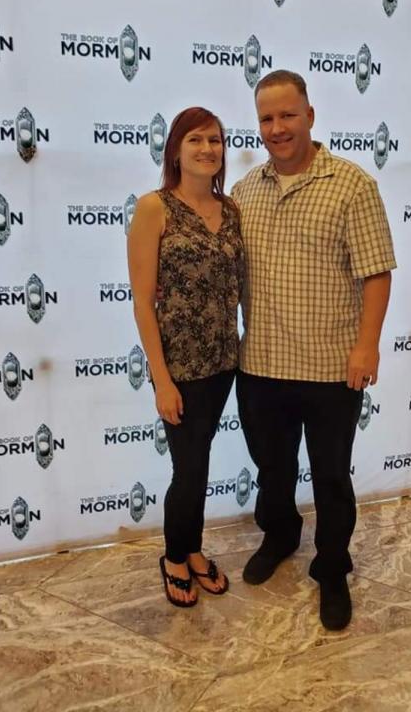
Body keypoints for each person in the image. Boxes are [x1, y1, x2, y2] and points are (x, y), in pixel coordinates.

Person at [231, 71, 396, 630]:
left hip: (331, 368)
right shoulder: (244, 191)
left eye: (287, 115)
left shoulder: (352, 185)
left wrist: (367, 346)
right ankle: (280, 536)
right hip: (261, 365)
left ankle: (331, 567)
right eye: (266, 118)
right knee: (272, 470)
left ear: (310, 115)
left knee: (330, 476)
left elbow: (376, 273)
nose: (277, 128)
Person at [127, 107, 243, 607]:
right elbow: (142, 301)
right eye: (195, 139)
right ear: (175, 150)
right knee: (189, 467)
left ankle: (192, 548)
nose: (207, 149)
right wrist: (162, 379)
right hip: (179, 366)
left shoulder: (232, 210)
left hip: (225, 362)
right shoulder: (154, 208)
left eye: (214, 140)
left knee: (200, 460)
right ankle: (176, 556)